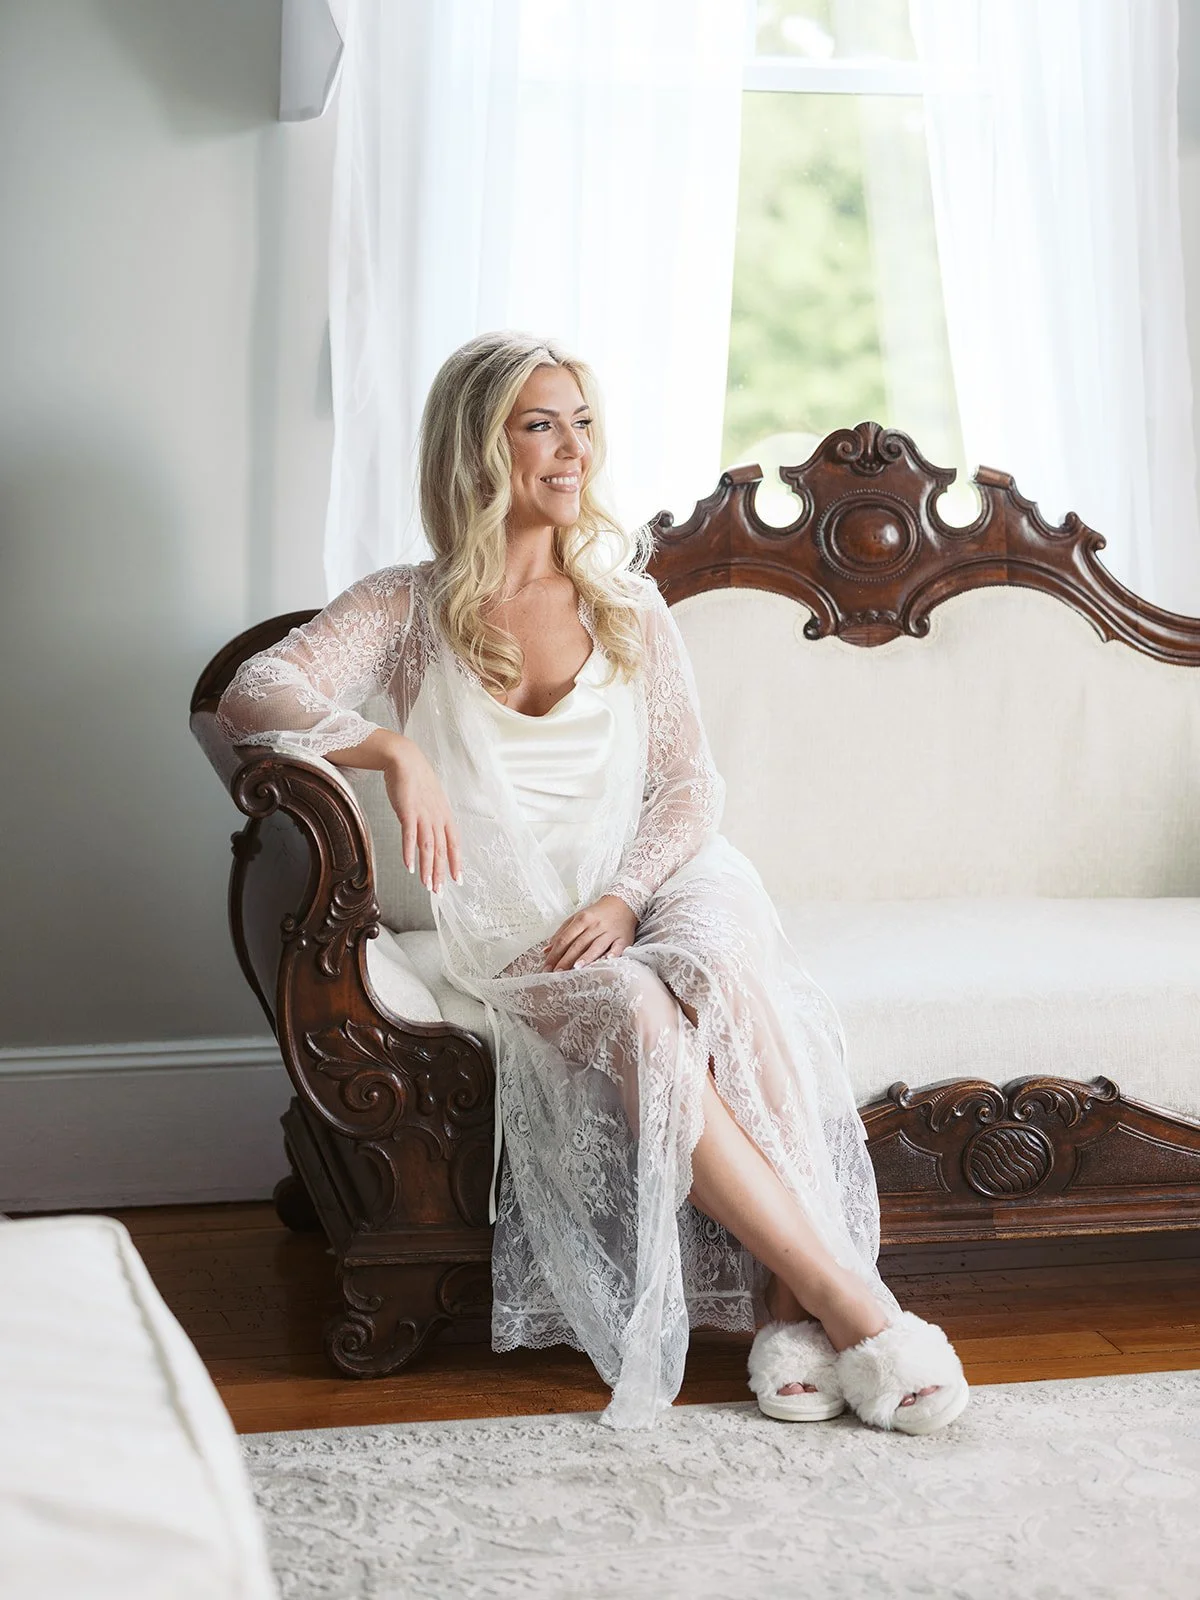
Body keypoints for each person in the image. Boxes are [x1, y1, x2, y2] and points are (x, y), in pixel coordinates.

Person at [217, 330, 969, 1434]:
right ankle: (859, 1310)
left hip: (660, 876)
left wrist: (625, 896)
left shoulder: (625, 602)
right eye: (538, 425)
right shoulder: (409, 608)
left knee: (722, 961)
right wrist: (388, 750)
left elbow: (686, 789)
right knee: (630, 1004)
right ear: (478, 449)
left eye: (580, 423)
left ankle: (808, 1307)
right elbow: (253, 691)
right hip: (521, 925)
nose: (571, 451)